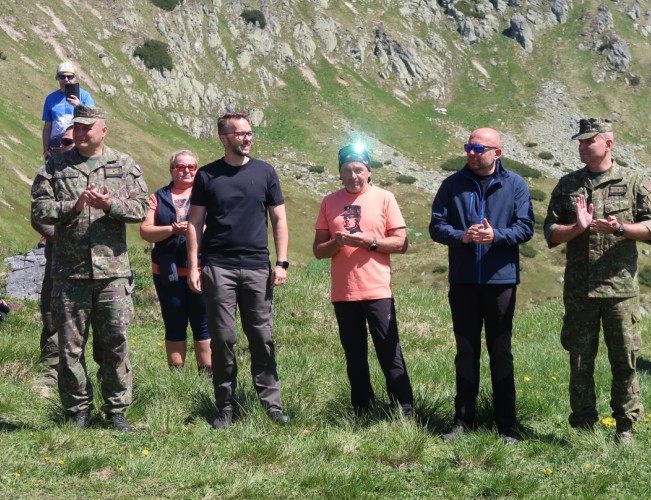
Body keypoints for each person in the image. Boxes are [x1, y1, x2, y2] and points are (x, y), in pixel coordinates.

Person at [543, 118, 651, 444]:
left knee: (624, 359)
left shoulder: (634, 182)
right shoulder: (568, 185)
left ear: (608, 143)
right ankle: (584, 427)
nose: (582, 147)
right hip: (580, 291)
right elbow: (550, 232)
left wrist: (620, 229)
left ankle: (625, 426)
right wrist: (577, 228)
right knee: (580, 361)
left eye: (588, 141)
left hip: (620, 290)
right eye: (580, 142)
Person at [31, 105, 148, 432]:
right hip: (70, 274)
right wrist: (75, 205)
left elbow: (141, 208)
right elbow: (39, 209)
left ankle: (116, 410)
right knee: (70, 347)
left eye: (87, 127)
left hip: (112, 273)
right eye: (77, 128)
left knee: (115, 344)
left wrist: (109, 205)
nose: (81, 133)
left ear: (103, 130)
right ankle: (76, 411)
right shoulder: (55, 166)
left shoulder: (123, 165)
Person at [429, 128, 534, 444]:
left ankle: (506, 426)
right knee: (466, 351)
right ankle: (463, 422)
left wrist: (496, 236)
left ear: (497, 153)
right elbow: (436, 226)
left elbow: (526, 227)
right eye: (468, 147)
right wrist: (461, 237)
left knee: (500, 351)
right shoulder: (452, 184)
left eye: (478, 148)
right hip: (463, 282)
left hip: (500, 282)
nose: (471, 153)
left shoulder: (515, 184)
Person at [186, 112, 290, 429]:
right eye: (240, 134)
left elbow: (279, 219)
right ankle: (226, 407)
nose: (247, 138)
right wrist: (194, 265)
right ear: (224, 138)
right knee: (222, 339)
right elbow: (195, 222)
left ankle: (272, 406)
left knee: (262, 337)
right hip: (218, 267)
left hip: (258, 267)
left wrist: (281, 262)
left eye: (249, 133)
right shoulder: (207, 176)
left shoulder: (265, 172)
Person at [313, 143, 414, 419]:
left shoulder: (384, 198)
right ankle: (362, 410)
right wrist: (337, 243)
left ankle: (404, 411)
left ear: (369, 171)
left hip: (377, 291)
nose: (353, 176)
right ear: (340, 173)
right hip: (344, 293)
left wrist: (370, 242)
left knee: (389, 352)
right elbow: (318, 250)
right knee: (354, 356)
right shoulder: (329, 202)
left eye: (358, 169)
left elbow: (401, 243)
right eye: (347, 170)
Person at [140, 150, 211, 372]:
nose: (186, 171)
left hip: (202, 269)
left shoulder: (208, 195)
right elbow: (145, 231)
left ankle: (207, 374)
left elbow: (217, 227)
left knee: (204, 324)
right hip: (167, 271)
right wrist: (171, 230)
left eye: (191, 167)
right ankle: (177, 376)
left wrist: (193, 229)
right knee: (174, 323)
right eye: (180, 167)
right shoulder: (158, 197)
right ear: (172, 170)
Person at [32, 125, 76, 391]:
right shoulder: (50, 172)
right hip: (58, 259)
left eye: (68, 141)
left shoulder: (101, 170)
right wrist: (64, 239)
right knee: (52, 314)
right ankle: (50, 373)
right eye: (62, 141)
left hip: (97, 263)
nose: (63, 145)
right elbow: (38, 217)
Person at [41, 62, 94, 158]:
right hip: (56, 145)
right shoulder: (50, 98)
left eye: (69, 77)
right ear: (57, 78)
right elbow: (47, 126)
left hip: (78, 142)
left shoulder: (85, 96)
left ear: (75, 78)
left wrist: (78, 106)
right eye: (62, 76)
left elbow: (93, 119)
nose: (66, 79)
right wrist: (45, 149)